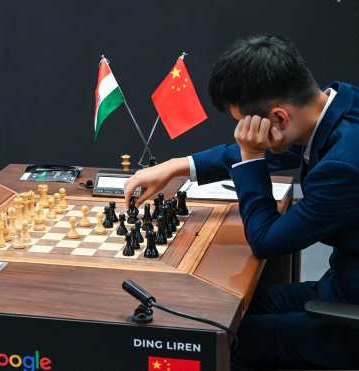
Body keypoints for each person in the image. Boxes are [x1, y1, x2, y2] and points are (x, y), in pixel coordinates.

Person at [125, 35, 359, 369]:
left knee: (214, 337)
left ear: (278, 119)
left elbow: (266, 241)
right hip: (339, 286)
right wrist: (179, 166)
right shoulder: (341, 105)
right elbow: (275, 149)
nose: (243, 135)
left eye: (244, 127)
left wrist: (251, 154)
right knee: (208, 309)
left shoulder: (343, 166)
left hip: (349, 318)